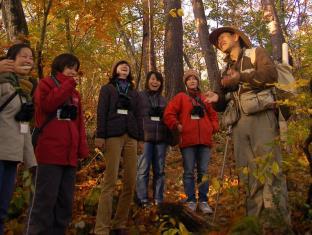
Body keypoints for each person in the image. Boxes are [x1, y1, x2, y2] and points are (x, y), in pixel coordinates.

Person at [206, 26, 290, 228]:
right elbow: (224, 101)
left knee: (270, 170)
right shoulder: (225, 69)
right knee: (248, 173)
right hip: (238, 124)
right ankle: (256, 225)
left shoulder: (256, 53)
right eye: (217, 41)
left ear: (236, 37)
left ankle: (278, 225)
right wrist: (216, 99)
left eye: (223, 37)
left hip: (262, 117)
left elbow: (270, 75)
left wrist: (241, 77)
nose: (220, 42)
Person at [25, 53, 89, 235]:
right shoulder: (46, 84)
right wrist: (69, 85)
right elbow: (47, 105)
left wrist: (82, 150)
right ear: (59, 67)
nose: (72, 72)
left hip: (69, 157)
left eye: (75, 68)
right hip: (49, 154)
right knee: (43, 202)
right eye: (69, 67)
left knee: (64, 205)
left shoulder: (75, 94)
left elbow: (79, 123)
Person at [94, 60, 143, 235]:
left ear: (129, 71)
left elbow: (139, 115)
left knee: (130, 181)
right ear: (115, 69)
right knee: (110, 180)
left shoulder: (134, 92)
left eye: (127, 66)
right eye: (121, 65)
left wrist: (141, 139)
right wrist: (100, 135)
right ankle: (101, 228)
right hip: (112, 135)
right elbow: (101, 112)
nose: (124, 67)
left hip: (131, 136)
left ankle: (119, 224)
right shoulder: (107, 89)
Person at [163, 69, 219, 214]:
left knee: (203, 172)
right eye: (189, 79)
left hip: (204, 141)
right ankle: (191, 201)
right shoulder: (181, 97)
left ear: (198, 81)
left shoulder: (204, 97)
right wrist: (177, 125)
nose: (192, 81)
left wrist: (212, 127)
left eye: (195, 78)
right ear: (186, 82)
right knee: (189, 172)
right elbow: (168, 113)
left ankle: (204, 201)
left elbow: (213, 115)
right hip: (188, 140)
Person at [0, 43, 37, 235]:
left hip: (11, 158)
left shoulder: (25, 91)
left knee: (2, 210)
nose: (28, 60)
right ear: (10, 60)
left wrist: (32, 163)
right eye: (23, 56)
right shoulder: (2, 83)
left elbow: (24, 130)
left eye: (31, 57)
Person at [136, 71, 168, 208]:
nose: (155, 82)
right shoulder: (140, 97)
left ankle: (158, 199)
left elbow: (168, 119)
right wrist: (138, 138)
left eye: (158, 80)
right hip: (145, 138)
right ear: (148, 80)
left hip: (161, 139)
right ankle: (142, 199)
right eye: (153, 79)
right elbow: (135, 117)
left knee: (159, 170)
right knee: (143, 170)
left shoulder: (163, 100)